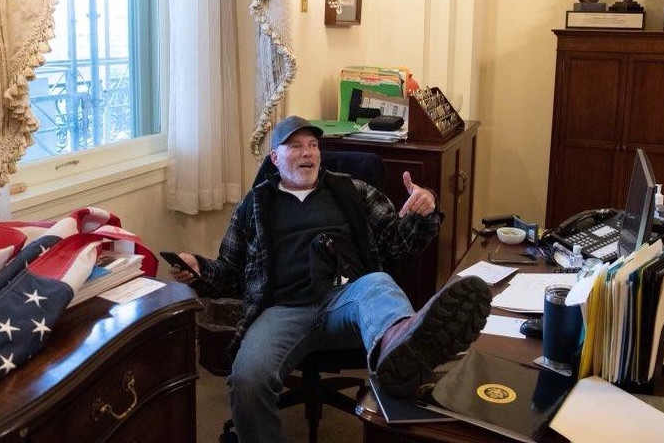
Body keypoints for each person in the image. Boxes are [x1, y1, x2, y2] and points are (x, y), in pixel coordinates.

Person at [170, 115, 491, 443]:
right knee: (247, 380)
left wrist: (424, 211)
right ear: (275, 158)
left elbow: (399, 242)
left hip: (347, 298)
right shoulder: (254, 205)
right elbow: (230, 273)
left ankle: (399, 347)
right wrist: (198, 268)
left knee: (377, 282)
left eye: (313, 145)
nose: (307, 152)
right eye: (295, 146)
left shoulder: (351, 190)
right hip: (282, 309)